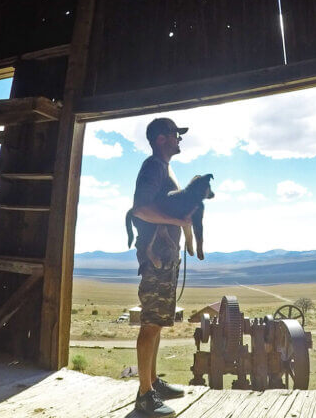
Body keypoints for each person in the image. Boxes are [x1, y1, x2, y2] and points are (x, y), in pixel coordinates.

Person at [129, 117, 193, 417]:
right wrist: (179, 222)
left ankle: (152, 382)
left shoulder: (163, 168)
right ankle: (144, 396)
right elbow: (141, 208)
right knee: (151, 323)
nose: (179, 139)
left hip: (166, 258)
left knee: (157, 322)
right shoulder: (153, 166)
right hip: (156, 259)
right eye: (175, 134)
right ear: (161, 139)